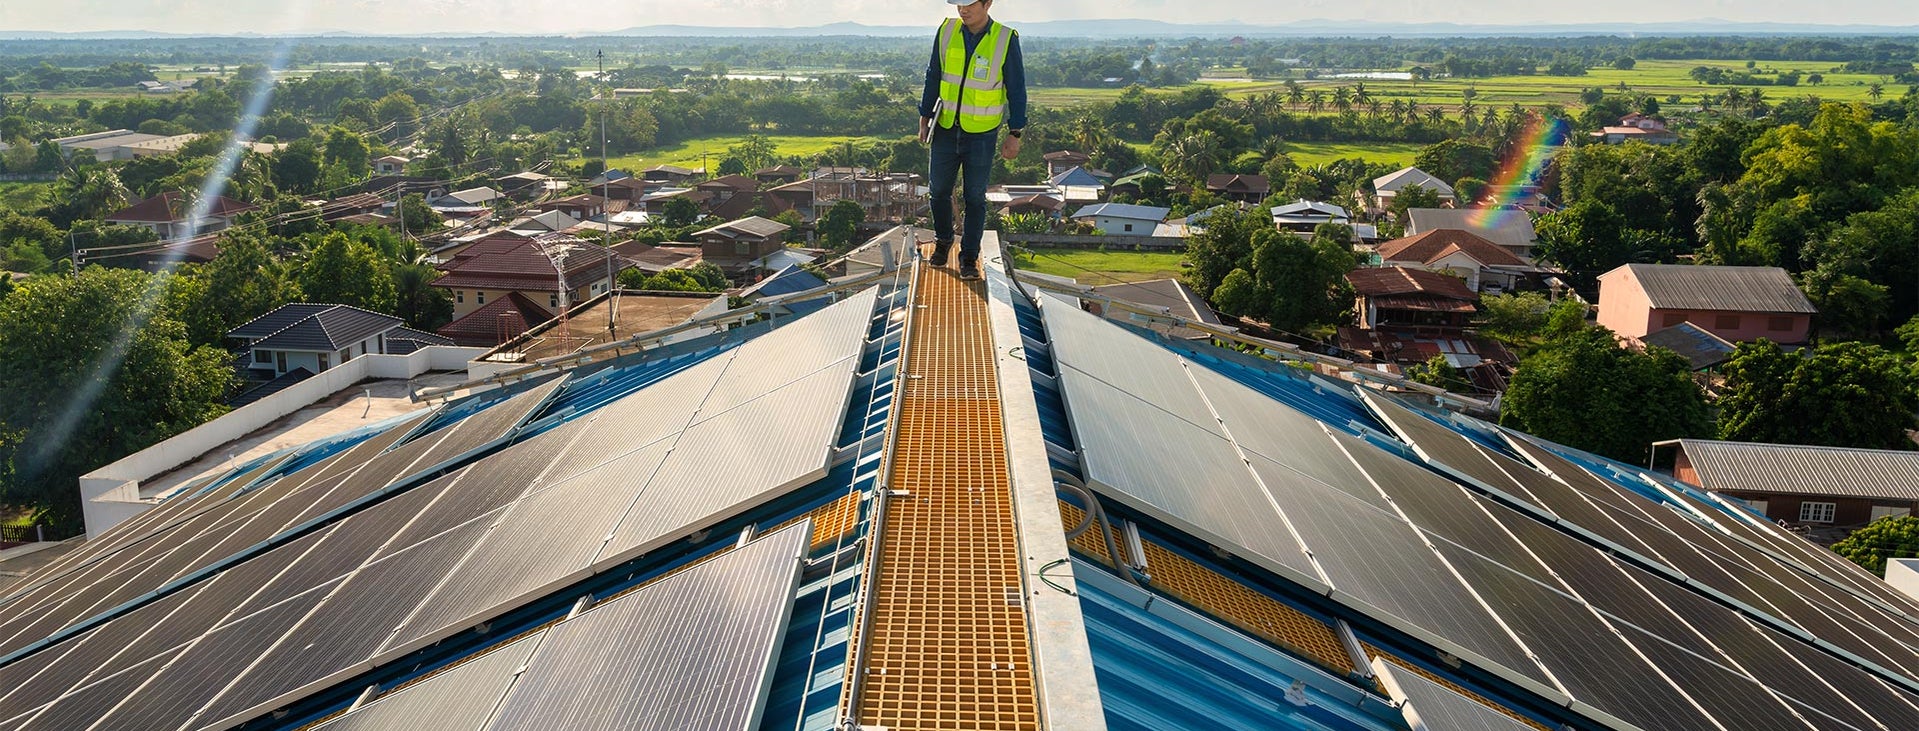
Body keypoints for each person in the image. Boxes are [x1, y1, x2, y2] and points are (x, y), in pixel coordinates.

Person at [918, 0, 1026, 280]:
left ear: (987, 3)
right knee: (938, 191)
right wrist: (924, 116)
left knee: (974, 197)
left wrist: (1015, 133)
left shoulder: (1004, 39)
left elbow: (1016, 88)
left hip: (981, 132)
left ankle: (969, 257)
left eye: (969, 5)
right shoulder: (947, 30)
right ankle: (943, 243)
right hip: (944, 127)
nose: (963, 11)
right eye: (959, 5)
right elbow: (933, 75)